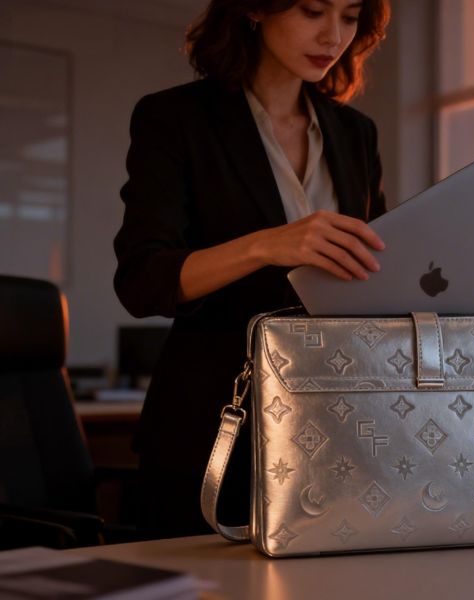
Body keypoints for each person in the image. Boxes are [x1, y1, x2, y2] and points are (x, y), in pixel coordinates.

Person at [113, 0, 391, 539]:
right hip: (214, 424)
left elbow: (373, 270)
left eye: (351, 16)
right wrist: (266, 245)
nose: (333, 35)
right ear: (256, 10)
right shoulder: (175, 118)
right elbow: (143, 278)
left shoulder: (356, 132)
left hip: (335, 430)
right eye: (313, 10)